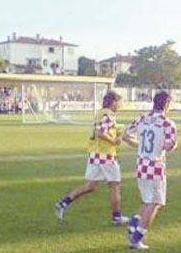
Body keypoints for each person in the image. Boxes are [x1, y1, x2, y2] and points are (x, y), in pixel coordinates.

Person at [55, 91, 130, 225]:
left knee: (90, 186)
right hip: (105, 155)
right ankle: (117, 217)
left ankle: (63, 203)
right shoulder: (109, 114)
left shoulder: (100, 113)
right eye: (118, 102)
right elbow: (101, 132)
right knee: (114, 185)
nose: (119, 105)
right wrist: (114, 141)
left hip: (95, 154)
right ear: (113, 102)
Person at [122, 91, 177, 250]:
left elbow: (125, 135)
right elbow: (168, 145)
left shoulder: (142, 118)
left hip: (141, 164)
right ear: (167, 104)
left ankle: (133, 224)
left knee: (147, 200)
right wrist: (169, 145)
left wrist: (140, 145)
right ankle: (136, 239)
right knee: (155, 202)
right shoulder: (167, 123)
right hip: (155, 165)